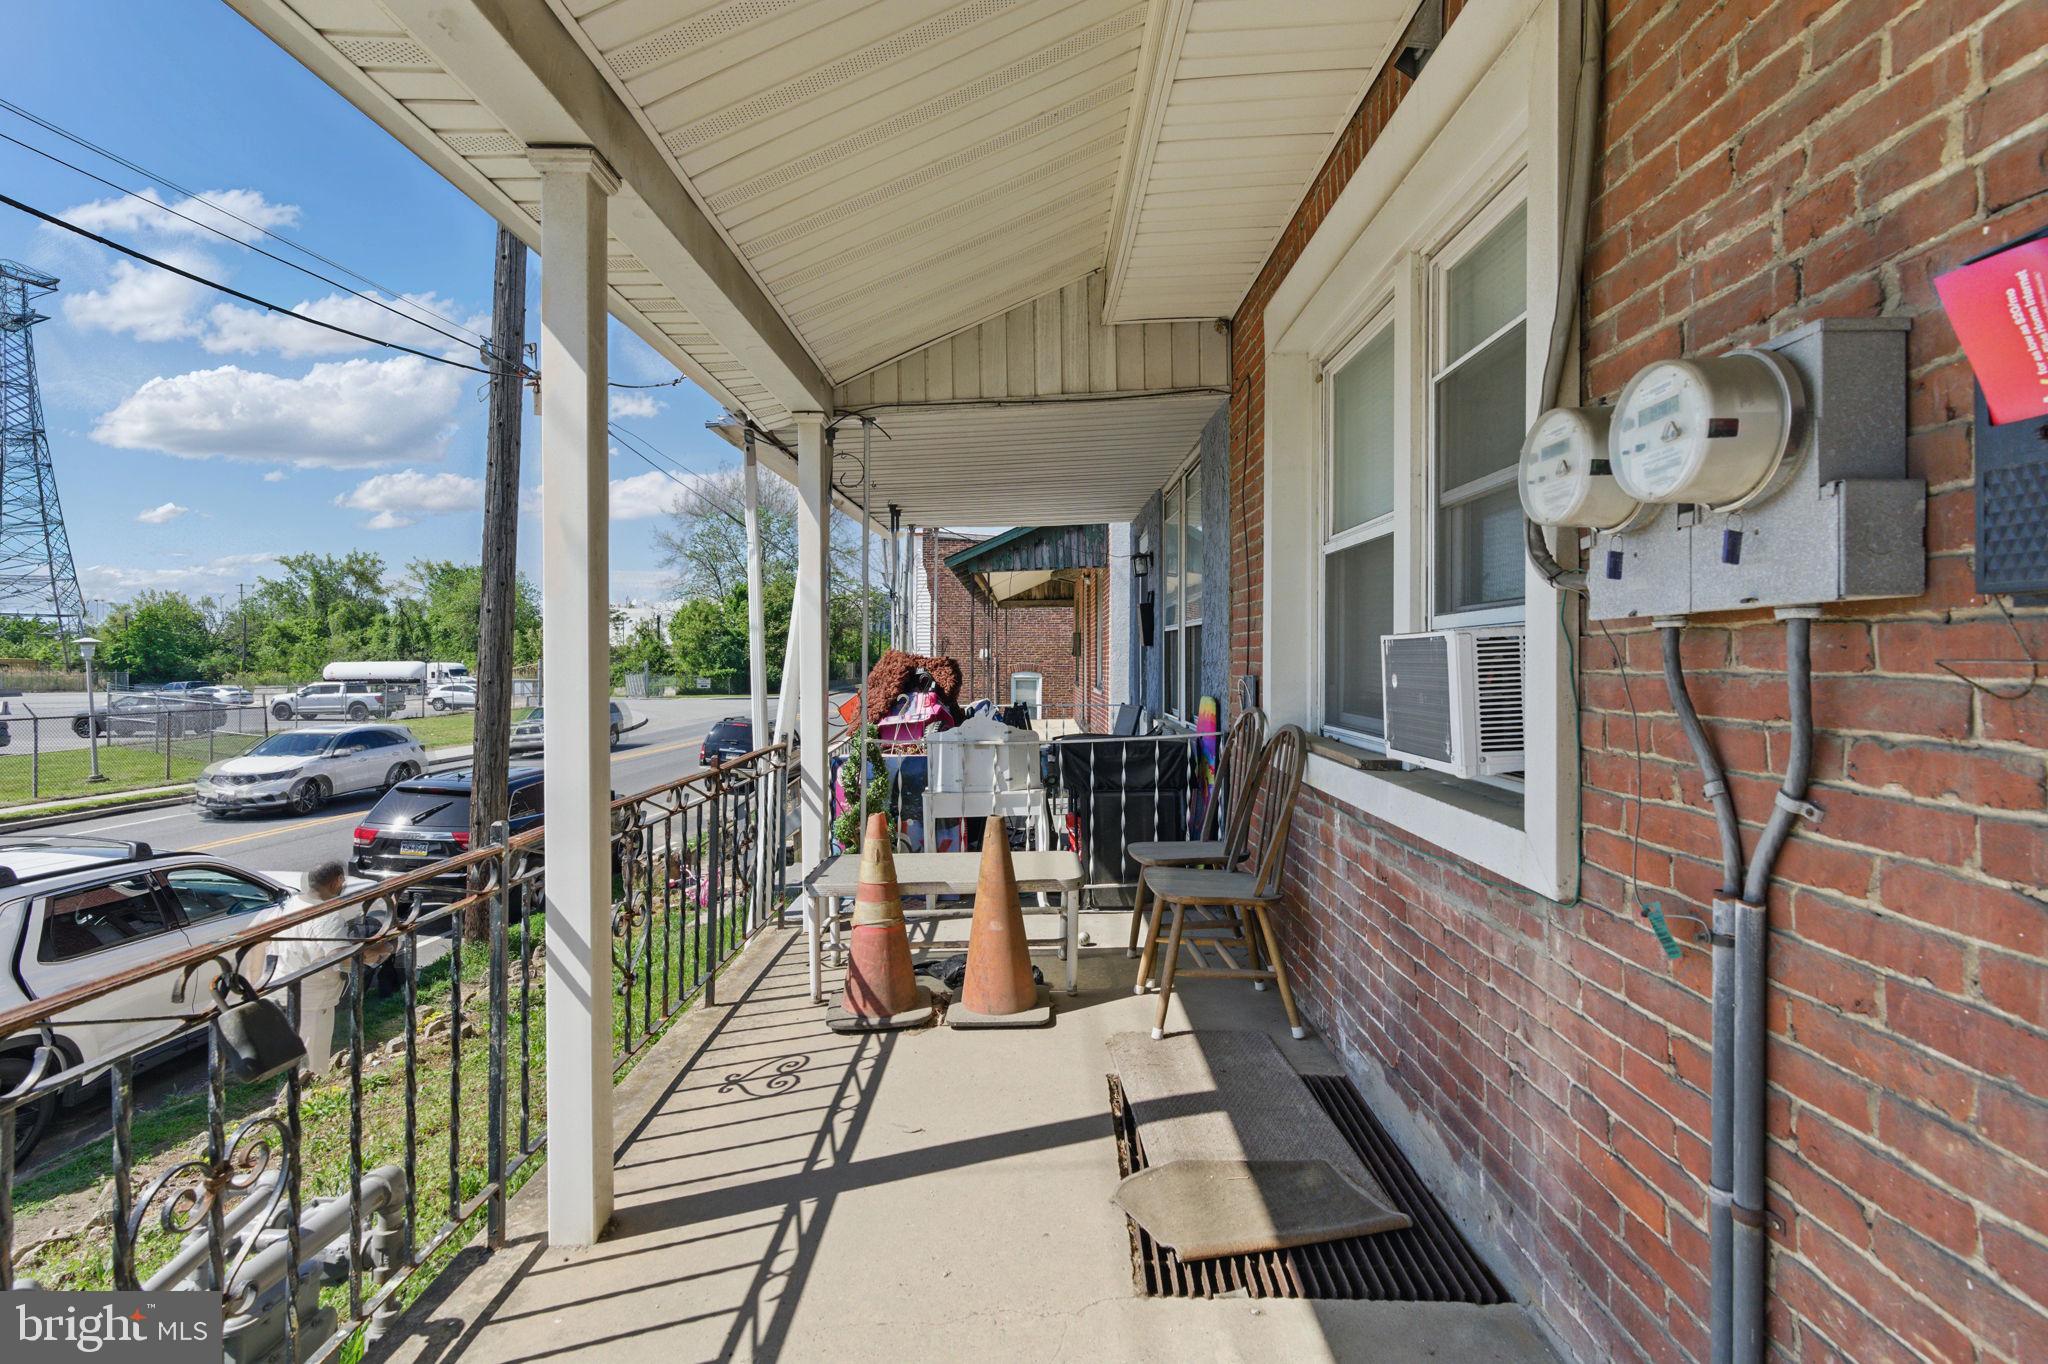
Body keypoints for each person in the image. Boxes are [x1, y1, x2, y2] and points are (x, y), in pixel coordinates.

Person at [253, 860, 388, 1076]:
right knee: (312, 1064)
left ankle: (291, 1097)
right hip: (313, 999)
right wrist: (377, 953)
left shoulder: (290, 905)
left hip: (283, 990)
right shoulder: (328, 916)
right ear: (338, 881)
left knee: (293, 1058)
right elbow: (340, 959)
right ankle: (306, 1101)